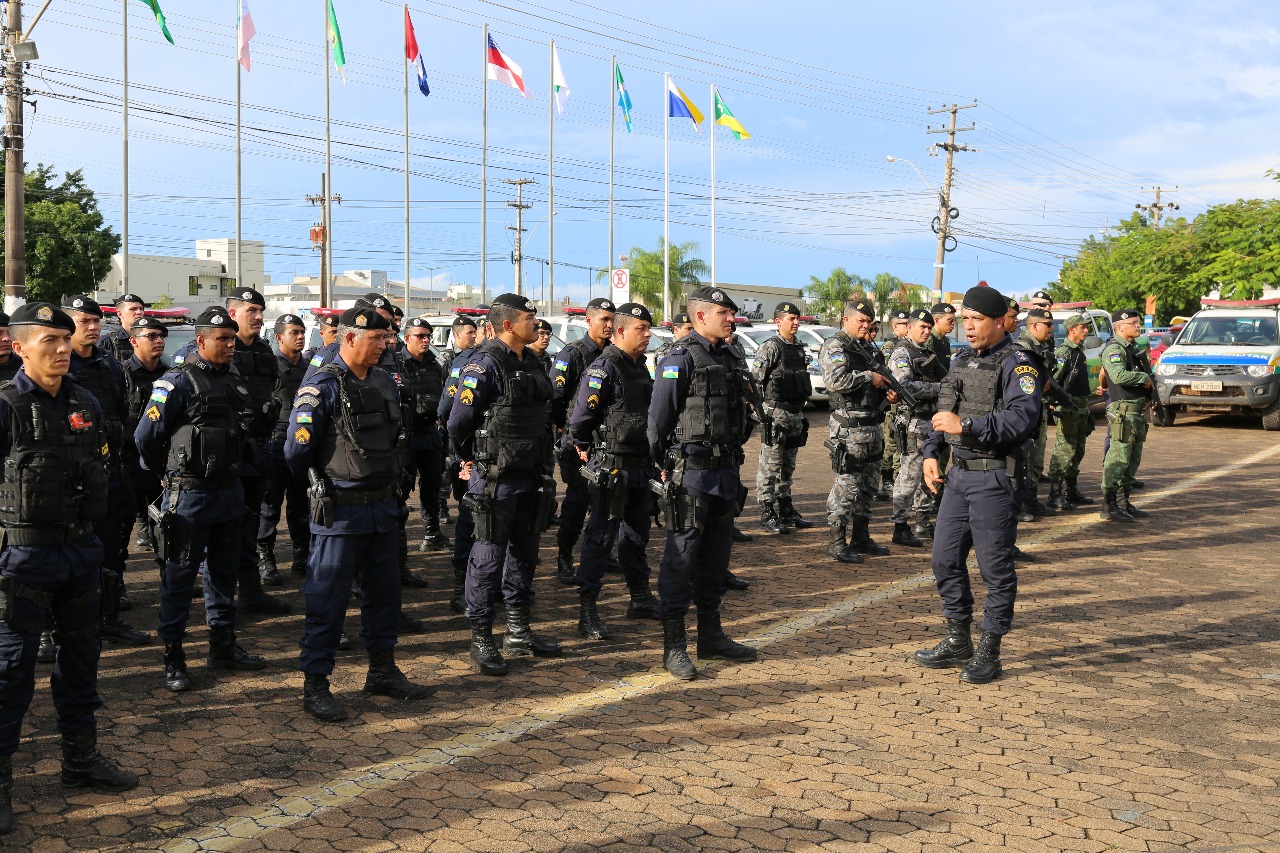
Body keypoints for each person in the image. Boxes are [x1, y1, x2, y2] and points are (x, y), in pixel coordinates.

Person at [0, 303, 139, 836]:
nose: (61, 349)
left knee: (81, 663)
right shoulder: (7, 405)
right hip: (23, 558)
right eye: (48, 341)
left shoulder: (84, 401)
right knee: (11, 670)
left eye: (65, 339)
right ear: (19, 347)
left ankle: (80, 761)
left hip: (81, 554)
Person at [284, 306, 431, 722]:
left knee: (385, 597)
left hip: (383, 509)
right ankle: (316, 685)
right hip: (341, 514)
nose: (385, 346)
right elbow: (296, 452)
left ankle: (382, 671)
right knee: (327, 600)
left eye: (387, 339)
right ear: (349, 338)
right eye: (377, 339)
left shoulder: (385, 381)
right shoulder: (323, 386)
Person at [135, 307, 268, 693]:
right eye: (222, 339)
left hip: (228, 493)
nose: (230, 345)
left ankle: (222, 645)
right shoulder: (175, 383)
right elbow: (146, 436)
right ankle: (174, 656)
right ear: (201, 341)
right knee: (178, 579)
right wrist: (166, 472)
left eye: (231, 338)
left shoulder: (232, 380)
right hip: (188, 496)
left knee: (224, 574)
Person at [915, 285, 1042, 685]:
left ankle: (991, 650)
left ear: (1000, 321)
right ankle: (958, 639)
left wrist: (968, 426)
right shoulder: (961, 360)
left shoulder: (1019, 363)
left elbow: (1023, 418)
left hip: (994, 478)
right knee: (944, 559)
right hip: (958, 477)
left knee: (995, 570)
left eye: (977, 320)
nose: (968, 328)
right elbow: (944, 411)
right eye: (964, 320)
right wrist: (932, 453)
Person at [448, 293, 562, 676]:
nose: (537, 322)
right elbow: (457, 421)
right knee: (487, 558)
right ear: (508, 324)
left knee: (525, 554)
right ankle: (482, 637)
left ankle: (518, 632)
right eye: (530, 317)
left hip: (532, 476)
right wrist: (470, 460)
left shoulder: (533, 362)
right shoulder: (484, 365)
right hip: (495, 479)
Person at [648, 286, 757, 681]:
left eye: (732, 313)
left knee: (716, 559)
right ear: (700, 317)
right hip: (691, 475)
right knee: (681, 559)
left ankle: (710, 636)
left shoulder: (729, 356)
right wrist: (661, 467)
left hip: (726, 473)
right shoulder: (679, 357)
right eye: (723, 313)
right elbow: (659, 420)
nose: (731, 319)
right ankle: (674, 646)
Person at [567, 303, 661, 640]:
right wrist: (582, 444)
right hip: (611, 468)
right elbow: (580, 419)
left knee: (637, 537)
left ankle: (640, 599)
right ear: (621, 331)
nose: (648, 334)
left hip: (640, 467)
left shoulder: (641, 367)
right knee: (600, 539)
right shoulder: (604, 367)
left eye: (649, 328)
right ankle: (587, 610)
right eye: (642, 328)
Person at [63, 296, 149, 647]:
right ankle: (56, 630)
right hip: (67, 478)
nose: (93, 327)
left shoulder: (111, 366)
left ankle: (108, 619)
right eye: (85, 321)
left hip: (108, 470)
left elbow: (122, 413)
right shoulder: (58, 364)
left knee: (112, 547)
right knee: (66, 553)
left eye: (97, 321)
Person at [820, 299, 896, 565]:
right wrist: (867, 377)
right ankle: (836, 542)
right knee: (847, 484)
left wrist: (889, 394)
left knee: (868, 486)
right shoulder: (836, 346)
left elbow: (879, 385)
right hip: (849, 427)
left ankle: (861, 536)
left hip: (873, 425)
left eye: (869, 322)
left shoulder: (868, 348)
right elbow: (835, 381)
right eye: (861, 321)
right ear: (846, 320)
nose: (866, 326)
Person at [550, 298, 616, 584]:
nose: (610, 325)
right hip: (579, 443)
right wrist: (568, 432)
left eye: (613, 319)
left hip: (608, 442)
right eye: (604, 319)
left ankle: (601, 553)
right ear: (589, 321)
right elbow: (555, 398)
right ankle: (564, 557)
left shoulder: (615, 354)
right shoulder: (573, 353)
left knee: (607, 501)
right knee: (577, 502)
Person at [257, 314, 311, 583]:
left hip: (302, 445)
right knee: (270, 505)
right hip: (276, 443)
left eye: (302, 332)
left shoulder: (311, 367)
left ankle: (302, 556)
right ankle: (265, 557)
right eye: (294, 332)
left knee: (301, 504)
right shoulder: (269, 368)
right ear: (278, 337)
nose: (300, 336)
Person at [753, 301, 814, 534]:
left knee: (788, 466)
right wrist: (761, 415)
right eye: (791, 319)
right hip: (775, 415)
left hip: (795, 414)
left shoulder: (798, 347)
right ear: (778, 321)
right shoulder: (770, 347)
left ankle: (786, 507)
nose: (796, 322)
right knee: (770, 465)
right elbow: (755, 382)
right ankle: (767, 511)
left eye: (798, 318)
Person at [888, 309, 946, 548]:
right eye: (922, 327)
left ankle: (923, 520)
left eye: (929, 328)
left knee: (928, 474)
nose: (926, 331)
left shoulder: (928, 353)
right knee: (909, 475)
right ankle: (900, 526)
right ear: (909, 327)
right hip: (912, 421)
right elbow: (904, 386)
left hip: (930, 420)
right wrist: (937, 389)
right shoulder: (902, 353)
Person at [438, 317, 482, 613]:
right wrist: (463, 454)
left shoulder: (523, 361)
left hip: (511, 457)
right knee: (469, 521)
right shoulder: (466, 363)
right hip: (475, 457)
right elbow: (448, 412)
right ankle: (460, 588)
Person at [121, 317, 170, 561]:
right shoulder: (120, 374)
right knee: (121, 527)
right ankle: (116, 590)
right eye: (151, 336)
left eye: (162, 336)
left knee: (164, 524)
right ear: (133, 341)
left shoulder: (172, 375)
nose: (159, 340)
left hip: (158, 458)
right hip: (127, 459)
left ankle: (168, 577)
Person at [399, 318, 449, 552]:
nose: (426, 340)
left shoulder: (434, 364)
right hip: (406, 436)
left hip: (430, 434)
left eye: (428, 336)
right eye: (420, 336)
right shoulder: (398, 363)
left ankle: (432, 532)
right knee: (402, 486)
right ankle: (397, 540)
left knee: (432, 485)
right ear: (407, 338)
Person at [1099, 309, 1152, 523]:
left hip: (1136, 410)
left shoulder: (1132, 349)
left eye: (1138, 323)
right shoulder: (1114, 349)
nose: (1138, 326)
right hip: (1122, 411)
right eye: (1134, 323)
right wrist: (1144, 377)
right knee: (1118, 458)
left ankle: (1123, 501)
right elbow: (1117, 375)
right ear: (1120, 327)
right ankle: (1109, 504)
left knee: (1132, 459)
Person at [1046, 313, 1095, 511]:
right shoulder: (1064, 352)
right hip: (1068, 408)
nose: (1087, 330)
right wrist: (1053, 402)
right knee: (1064, 451)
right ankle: (1054, 494)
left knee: (1077, 451)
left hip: (1081, 407)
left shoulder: (1079, 351)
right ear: (1072, 329)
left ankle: (1071, 491)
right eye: (1083, 327)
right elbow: (1053, 380)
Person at [436, 315, 480, 526]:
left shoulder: (478, 357)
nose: (473, 336)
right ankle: (442, 505)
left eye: (475, 332)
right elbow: (445, 394)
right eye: (469, 333)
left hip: (464, 423)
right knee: (447, 468)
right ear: (457, 334)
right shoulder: (446, 360)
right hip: (449, 422)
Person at [1014, 307, 1057, 519]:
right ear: (1033, 326)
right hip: (1025, 409)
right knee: (1024, 458)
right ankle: (1021, 504)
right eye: (1047, 325)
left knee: (1036, 458)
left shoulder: (1042, 347)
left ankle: (1031, 500)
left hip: (1038, 407)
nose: (1051, 329)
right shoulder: (1022, 349)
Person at [878, 310, 911, 498]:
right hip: (891, 403)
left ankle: (896, 479)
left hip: (903, 403)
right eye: (904, 323)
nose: (908, 326)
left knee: (900, 443)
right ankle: (887, 480)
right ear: (895, 326)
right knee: (890, 443)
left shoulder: (908, 346)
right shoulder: (890, 347)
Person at [97, 294, 148, 363]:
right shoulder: (108, 342)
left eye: (141, 309)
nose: (139, 312)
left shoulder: (149, 339)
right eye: (133, 309)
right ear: (120, 314)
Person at [928, 303, 957, 370]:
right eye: (950, 320)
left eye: (954, 320)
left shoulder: (945, 341)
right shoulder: (929, 340)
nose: (953, 323)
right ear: (937, 320)